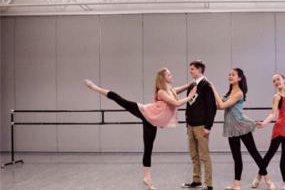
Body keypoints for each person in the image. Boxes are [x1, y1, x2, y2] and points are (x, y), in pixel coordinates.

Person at [84, 68, 197, 190]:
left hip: (152, 121)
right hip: (145, 112)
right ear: (163, 78)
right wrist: (190, 96)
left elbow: (177, 91)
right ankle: (95, 87)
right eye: (169, 74)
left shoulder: (169, 90)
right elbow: (176, 103)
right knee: (121, 100)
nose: (171, 75)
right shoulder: (161, 92)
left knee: (148, 148)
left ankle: (147, 178)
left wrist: (189, 85)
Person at [207, 68, 269, 190]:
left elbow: (221, 106)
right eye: (229, 74)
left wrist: (213, 88)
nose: (230, 76)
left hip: (242, 126)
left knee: (254, 153)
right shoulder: (229, 93)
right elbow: (219, 104)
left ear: (239, 78)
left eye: (233, 75)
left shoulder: (239, 93)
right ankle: (236, 184)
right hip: (231, 128)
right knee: (236, 157)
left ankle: (267, 179)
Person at [181, 60, 217, 190]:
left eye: (192, 69)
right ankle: (196, 180)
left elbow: (211, 108)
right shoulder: (192, 86)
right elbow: (189, 105)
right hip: (191, 125)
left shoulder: (206, 86)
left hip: (201, 126)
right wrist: (187, 125)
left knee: (204, 155)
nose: (190, 71)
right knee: (194, 155)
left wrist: (208, 126)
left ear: (199, 70)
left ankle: (209, 183)